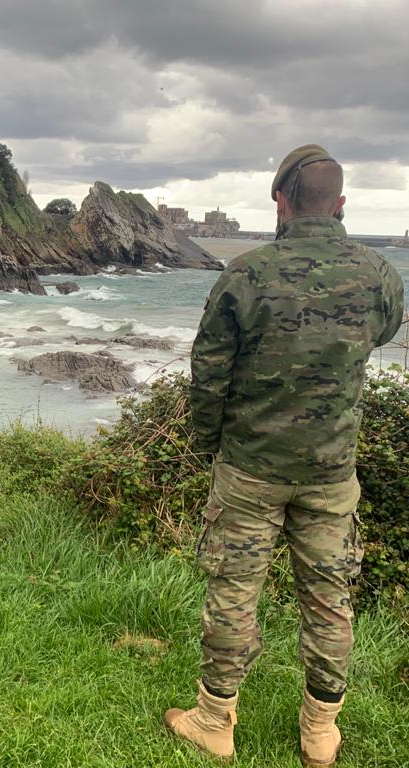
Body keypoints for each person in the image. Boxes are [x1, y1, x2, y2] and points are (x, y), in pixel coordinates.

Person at [164, 145, 405, 766]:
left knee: (233, 592)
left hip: (250, 467)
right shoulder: (378, 273)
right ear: (342, 205)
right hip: (330, 472)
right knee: (330, 598)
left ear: (280, 202)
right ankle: (320, 732)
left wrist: (204, 446)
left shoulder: (246, 274)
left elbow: (209, 372)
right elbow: (383, 332)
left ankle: (215, 720)